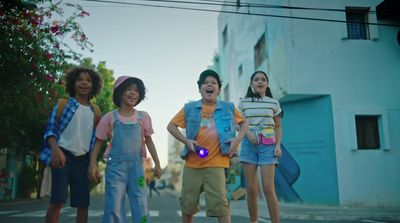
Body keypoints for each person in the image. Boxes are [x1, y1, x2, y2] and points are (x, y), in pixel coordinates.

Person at [167, 69, 249, 223]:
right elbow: (171, 126)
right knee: (187, 205)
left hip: (216, 164)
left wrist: (237, 140)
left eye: (213, 83)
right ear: (200, 88)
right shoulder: (190, 108)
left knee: (221, 205)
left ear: (218, 89)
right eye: (206, 83)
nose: (209, 85)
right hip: (192, 164)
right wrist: (186, 141)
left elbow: (244, 123)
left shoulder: (228, 107)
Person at [88, 75, 162, 223]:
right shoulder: (109, 118)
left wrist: (157, 164)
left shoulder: (143, 117)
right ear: (119, 92)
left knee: (140, 202)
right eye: (129, 89)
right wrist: (92, 164)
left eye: (136, 90)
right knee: (113, 204)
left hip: (138, 168)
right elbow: (98, 142)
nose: (133, 93)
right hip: (115, 168)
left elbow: (149, 141)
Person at [42, 67, 103, 223]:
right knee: (57, 201)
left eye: (88, 80)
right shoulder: (63, 104)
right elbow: (50, 129)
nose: (84, 83)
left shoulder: (95, 111)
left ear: (93, 85)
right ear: (73, 83)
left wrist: (92, 164)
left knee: (83, 204)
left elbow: (97, 140)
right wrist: (55, 150)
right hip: (62, 156)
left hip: (83, 161)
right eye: (80, 79)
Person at [238, 71, 282, 223]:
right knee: (251, 189)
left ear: (267, 84)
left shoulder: (273, 102)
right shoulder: (243, 102)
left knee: (269, 188)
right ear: (251, 83)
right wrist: (248, 134)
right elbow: (239, 123)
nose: (260, 82)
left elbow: (278, 127)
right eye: (256, 79)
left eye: (263, 79)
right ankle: (254, 221)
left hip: (268, 145)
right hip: (248, 145)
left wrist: (278, 146)